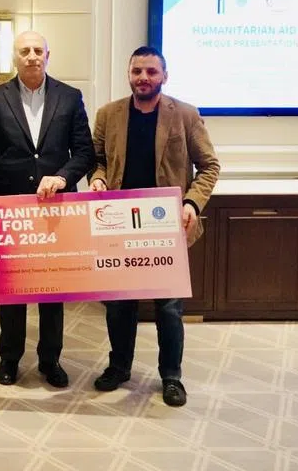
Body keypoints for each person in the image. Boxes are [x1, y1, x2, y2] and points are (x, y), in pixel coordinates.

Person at [88, 45, 220, 407]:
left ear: (164, 75)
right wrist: (97, 180)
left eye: (151, 72)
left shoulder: (186, 115)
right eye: (137, 72)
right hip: (118, 227)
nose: (143, 78)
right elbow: (97, 160)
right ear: (129, 74)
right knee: (119, 306)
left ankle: (171, 377)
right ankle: (119, 367)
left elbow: (209, 166)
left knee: (168, 309)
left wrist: (192, 201)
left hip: (165, 228)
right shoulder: (108, 115)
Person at [0, 30, 94, 388]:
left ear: (48, 55)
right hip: (10, 206)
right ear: (14, 57)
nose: (31, 56)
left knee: (52, 290)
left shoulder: (70, 96)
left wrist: (61, 177)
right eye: (24, 51)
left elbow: (86, 152)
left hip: (56, 208)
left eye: (37, 50)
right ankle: (9, 359)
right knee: (11, 289)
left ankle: (50, 360)